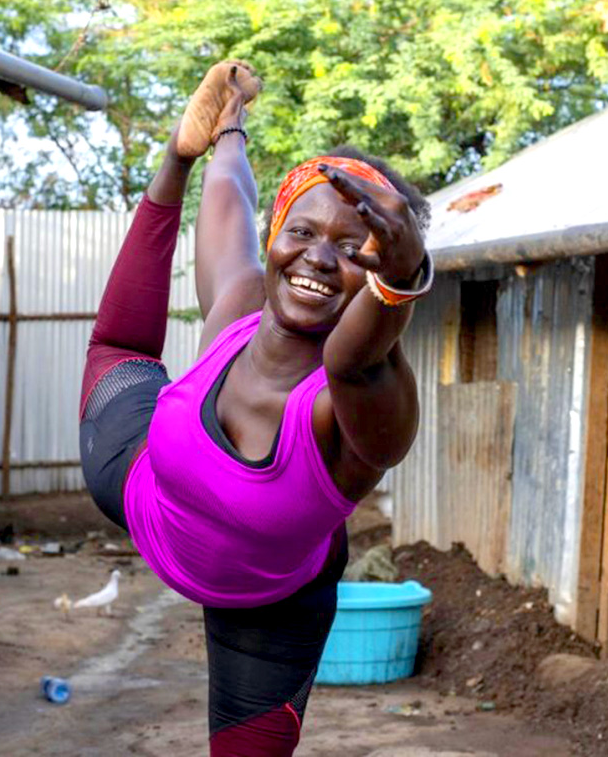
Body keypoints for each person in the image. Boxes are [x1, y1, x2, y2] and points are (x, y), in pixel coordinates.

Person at [79, 60, 432, 756]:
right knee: (120, 344)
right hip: (143, 486)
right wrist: (218, 129)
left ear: (381, 268)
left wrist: (401, 280)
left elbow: (355, 356)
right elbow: (231, 201)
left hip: (271, 606)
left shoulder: (356, 408)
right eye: (302, 231)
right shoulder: (241, 306)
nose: (320, 258)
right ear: (280, 234)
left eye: (353, 249)